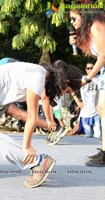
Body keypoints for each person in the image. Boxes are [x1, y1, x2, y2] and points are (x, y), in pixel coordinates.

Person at [69, 2, 105, 166]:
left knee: (103, 108)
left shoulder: (96, 27)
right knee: (102, 108)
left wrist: (88, 78)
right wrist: (77, 43)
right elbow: (94, 54)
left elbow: (103, 56)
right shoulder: (91, 30)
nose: (72, 22)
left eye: (74, 18)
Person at [71, 62, 101, 138]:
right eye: (88, 68)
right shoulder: (82, 79)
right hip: (85, 112)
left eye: (92, 68)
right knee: (88, 135)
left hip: (97, 112)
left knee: (98, 135)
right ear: (85, 70)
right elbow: (71, 89)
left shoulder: (100, 78)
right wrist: (77, 101)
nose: (90, 70)